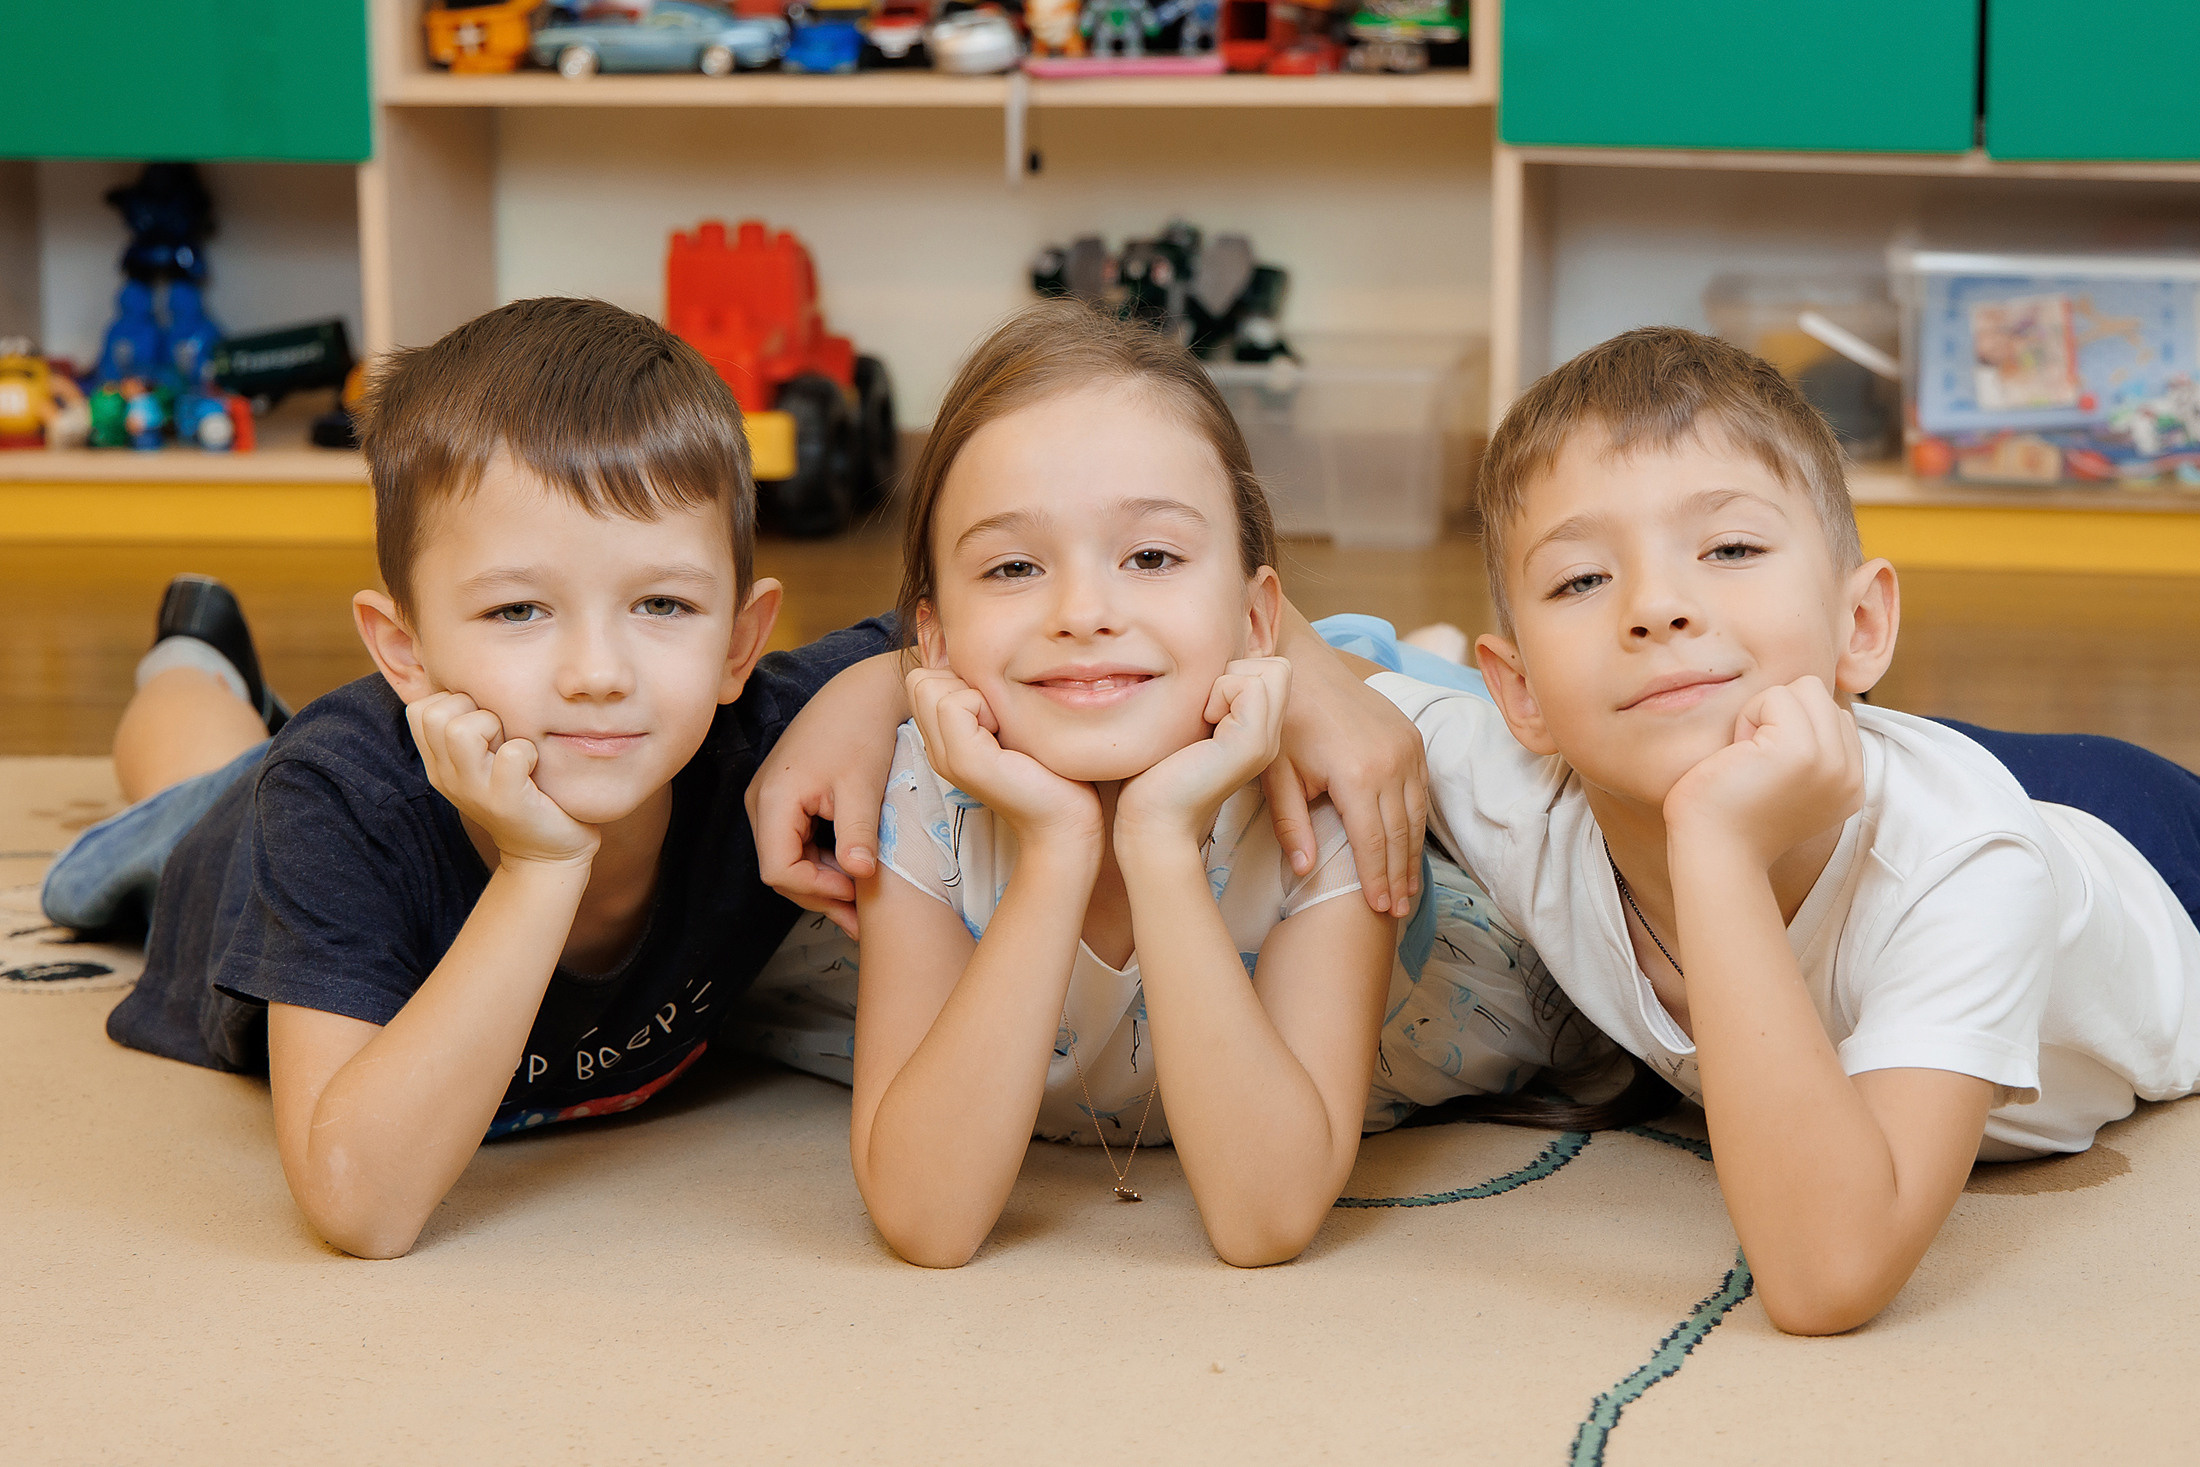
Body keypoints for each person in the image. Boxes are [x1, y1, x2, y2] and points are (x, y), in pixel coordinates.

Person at [1335, 326, 2200, 1334]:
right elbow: (1306, 662)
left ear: (1862, 625)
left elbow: (1826, 1275)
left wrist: (1713, 849)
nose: (1656, 606)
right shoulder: (1533, 791)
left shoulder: (1963, 868)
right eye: (1581, 579)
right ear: (1518, 693)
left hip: (2149, 850)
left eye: (1730, 549)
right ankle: (1456, 655)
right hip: (1830, 745)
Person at [736, 302, 1595, 1270]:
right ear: (928, 641)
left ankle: (1392, 661)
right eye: (1014, 566)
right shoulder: (918, 796)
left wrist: (1156, 843)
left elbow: (1263, 1218)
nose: (1084, 611)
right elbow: (926, 1219)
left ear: (1257, 613)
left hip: (1408, 977)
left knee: (1496, 749)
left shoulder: (1316, 797)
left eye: (1151, 556)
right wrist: (1058, 847)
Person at [40, 298, 902, 1260]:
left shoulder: (759, 733)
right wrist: (541, 866)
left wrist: (876, 687)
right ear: (403, 651)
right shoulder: (339, 799)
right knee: (193, 779)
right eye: (519, 611)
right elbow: (358, 1207)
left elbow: (956, 622)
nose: (598, 672)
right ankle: (192, 662)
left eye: (662, 603)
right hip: (231, 851)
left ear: (743, 641)